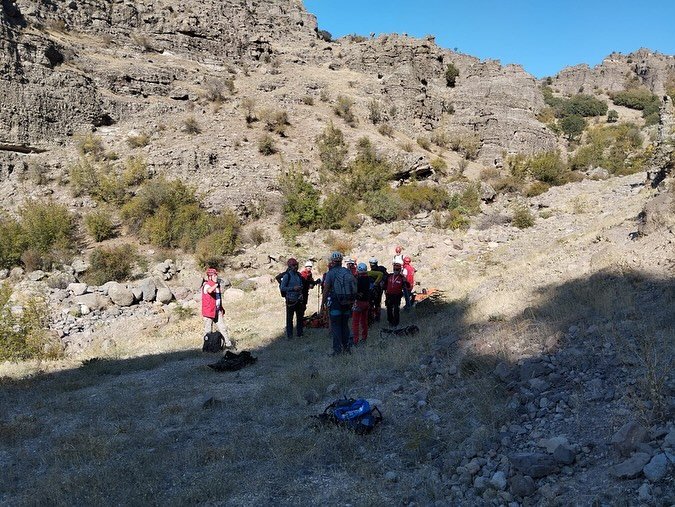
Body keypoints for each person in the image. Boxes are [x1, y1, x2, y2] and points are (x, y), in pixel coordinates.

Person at [322, 251, 356, 356]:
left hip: (335, 302)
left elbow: (326, 289)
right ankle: (347, 348)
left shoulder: (330, 273)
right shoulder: (347, 271)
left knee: (336, 326)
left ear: (332, 261)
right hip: (347, 302)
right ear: (341, 261)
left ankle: (337, 350)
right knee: (345, 325)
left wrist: (323, 302)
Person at [201, 267, 233, 347]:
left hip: (217, 311)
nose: (216, 277)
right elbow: (209, 291)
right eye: (214, 276)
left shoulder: (216, 285)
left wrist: (221, 309)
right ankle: (207, 347)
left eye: (216, 275)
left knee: (223, 328)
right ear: (210, 277)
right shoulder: (206, 285)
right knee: (208, 331)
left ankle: (228, 344)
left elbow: (218, 298)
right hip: (209, 312)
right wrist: (215, 285)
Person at [280, 258, 304, 339]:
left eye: (296, 265)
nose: (296, 267)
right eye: (294, 265)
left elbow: (301, 286)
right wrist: (293, 288)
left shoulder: (299, 275)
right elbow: (282, 288)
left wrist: (300, 292)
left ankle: (300, 333)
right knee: (290, 318)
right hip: (290, 300)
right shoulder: (287, 276)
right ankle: (289, 335)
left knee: (300, 317)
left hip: (299, 299)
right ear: (290, 266)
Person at [385, 260, 409, 327]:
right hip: (389, 295)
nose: (395, 271)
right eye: (394, 269)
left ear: (400, 270)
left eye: (397, 269)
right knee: (389, 309)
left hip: (397, 296)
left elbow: (408, 286)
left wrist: (405, 281)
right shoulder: (389, 276)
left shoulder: (402, 278)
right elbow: (385, 284)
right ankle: (390, 321)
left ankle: (395, 323)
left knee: (396, 309)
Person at [352, 263, 371, 346]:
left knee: (355, 322)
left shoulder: (358, 280)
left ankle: (355, 340)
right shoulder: (368, 279)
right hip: (366, 302)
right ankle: (364, 338)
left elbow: (355, 290)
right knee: (364, 321)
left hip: (359, 302)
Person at [368, 257, 387, 321]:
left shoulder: (372, 272)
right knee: (377, 304)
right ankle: (377, 317)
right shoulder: (381, 270)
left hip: (375, 290)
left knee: (372, 304)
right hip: (379, 290)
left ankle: (373, 317)